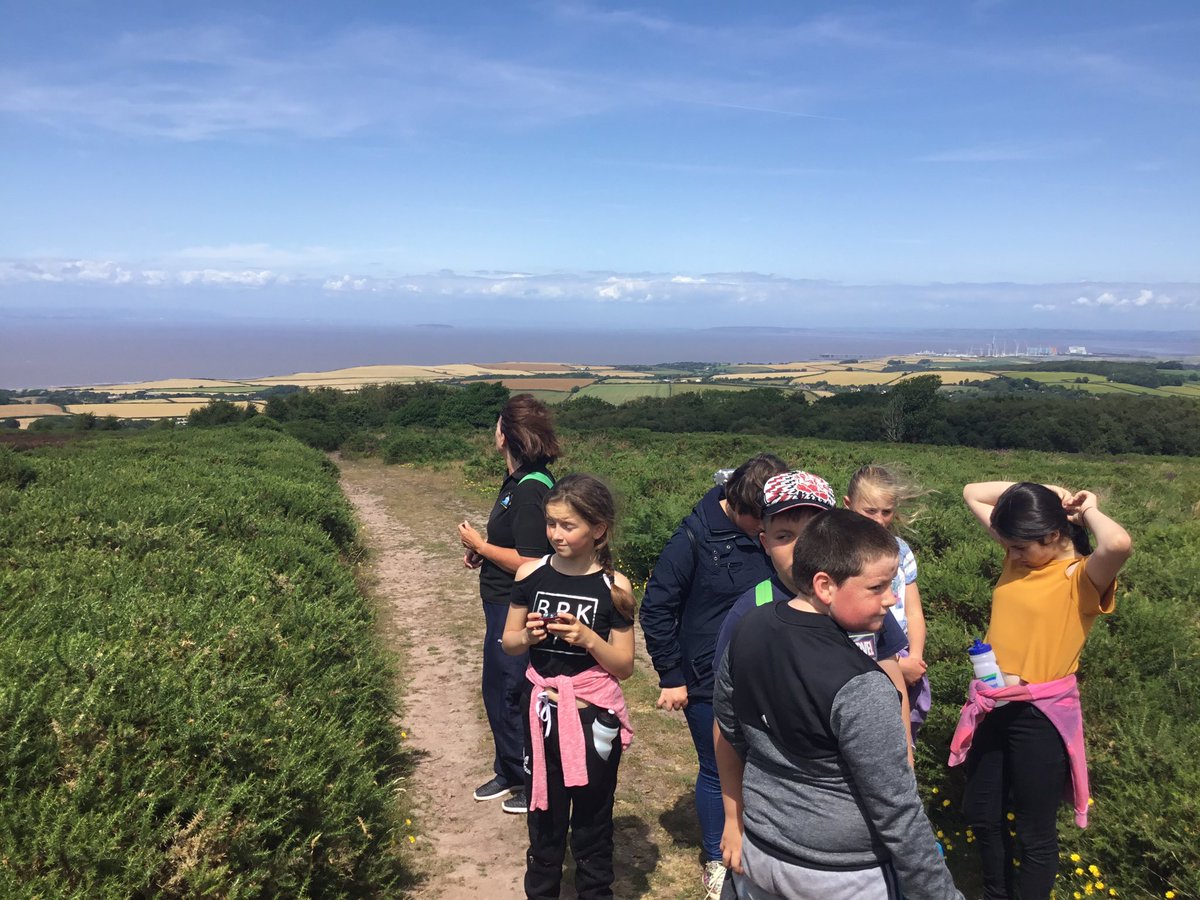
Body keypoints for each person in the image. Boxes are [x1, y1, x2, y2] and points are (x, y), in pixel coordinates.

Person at [714, 509, 961, 900]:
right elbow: (897, 812)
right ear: (825, 586)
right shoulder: (862, 686)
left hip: (762, 852)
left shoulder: (749, 628)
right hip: (840, 874)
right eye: (877, 587)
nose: (892, 598)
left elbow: (731, 727)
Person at [952, 482, 1132, 900]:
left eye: (1017, 546)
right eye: (1009, 545)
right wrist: (1056, 492)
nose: (1009, 552)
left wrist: (1085, 509)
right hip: (992, 705)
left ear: (1053, 536)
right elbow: (971, 492)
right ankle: (996, 894)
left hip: (1040, 717)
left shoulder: (1080, 577)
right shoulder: (1023, 558)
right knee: (982, 811)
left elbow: (1119, 542)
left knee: (1035, 831)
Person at [639, 453, 788, 899]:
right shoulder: (694, 535)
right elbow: (657, 607)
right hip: (707, 675)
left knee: (764, 762)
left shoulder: (775, 532)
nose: (763, 530)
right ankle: (717, 859)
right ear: (736, 504)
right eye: (757, 521)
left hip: (769, 671)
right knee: (717, 768)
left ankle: (760, 842)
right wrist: (671, 675)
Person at [502, 474, 635, 900]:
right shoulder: (530, 574)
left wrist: (589, 640)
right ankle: (542, 888)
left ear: (598, 530)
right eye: (551, 523)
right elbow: (509, 642)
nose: (555, 534)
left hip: (593, 714)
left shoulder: (614, 588)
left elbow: (625, 666)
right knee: (543, 810)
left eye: (568, 525)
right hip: (541, 708)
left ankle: (594, 889)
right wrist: (530, 638)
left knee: (594, 814)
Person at [714, 471, 912, 757]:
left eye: (812, 534)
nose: (800, 547)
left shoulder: (864, 600)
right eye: (784, 536)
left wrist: (905, 755)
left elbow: (893, 682)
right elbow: (726, 716)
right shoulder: (751, 611)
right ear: (764, 542)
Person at [459, 393, 560, 813]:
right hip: (501, 601)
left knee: (511, 691)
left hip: (516, 607)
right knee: (497, 687)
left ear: (505, 435)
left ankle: (527, 780)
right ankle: (508, 769)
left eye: (497, 426)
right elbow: (515, 544)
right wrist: (484, 551)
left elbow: (533, 560)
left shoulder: (530, 489)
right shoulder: (519, 483)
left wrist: (480, 542)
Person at [844, 465, 931, 742]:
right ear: (848, 505)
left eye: (886, 511)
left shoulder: (901, 549)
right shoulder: (840, 551)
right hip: (861, 656)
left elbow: (914, 611)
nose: (879, 520)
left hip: (902, 656)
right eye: (869, 511)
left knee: (901, 735)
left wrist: (915, 658)